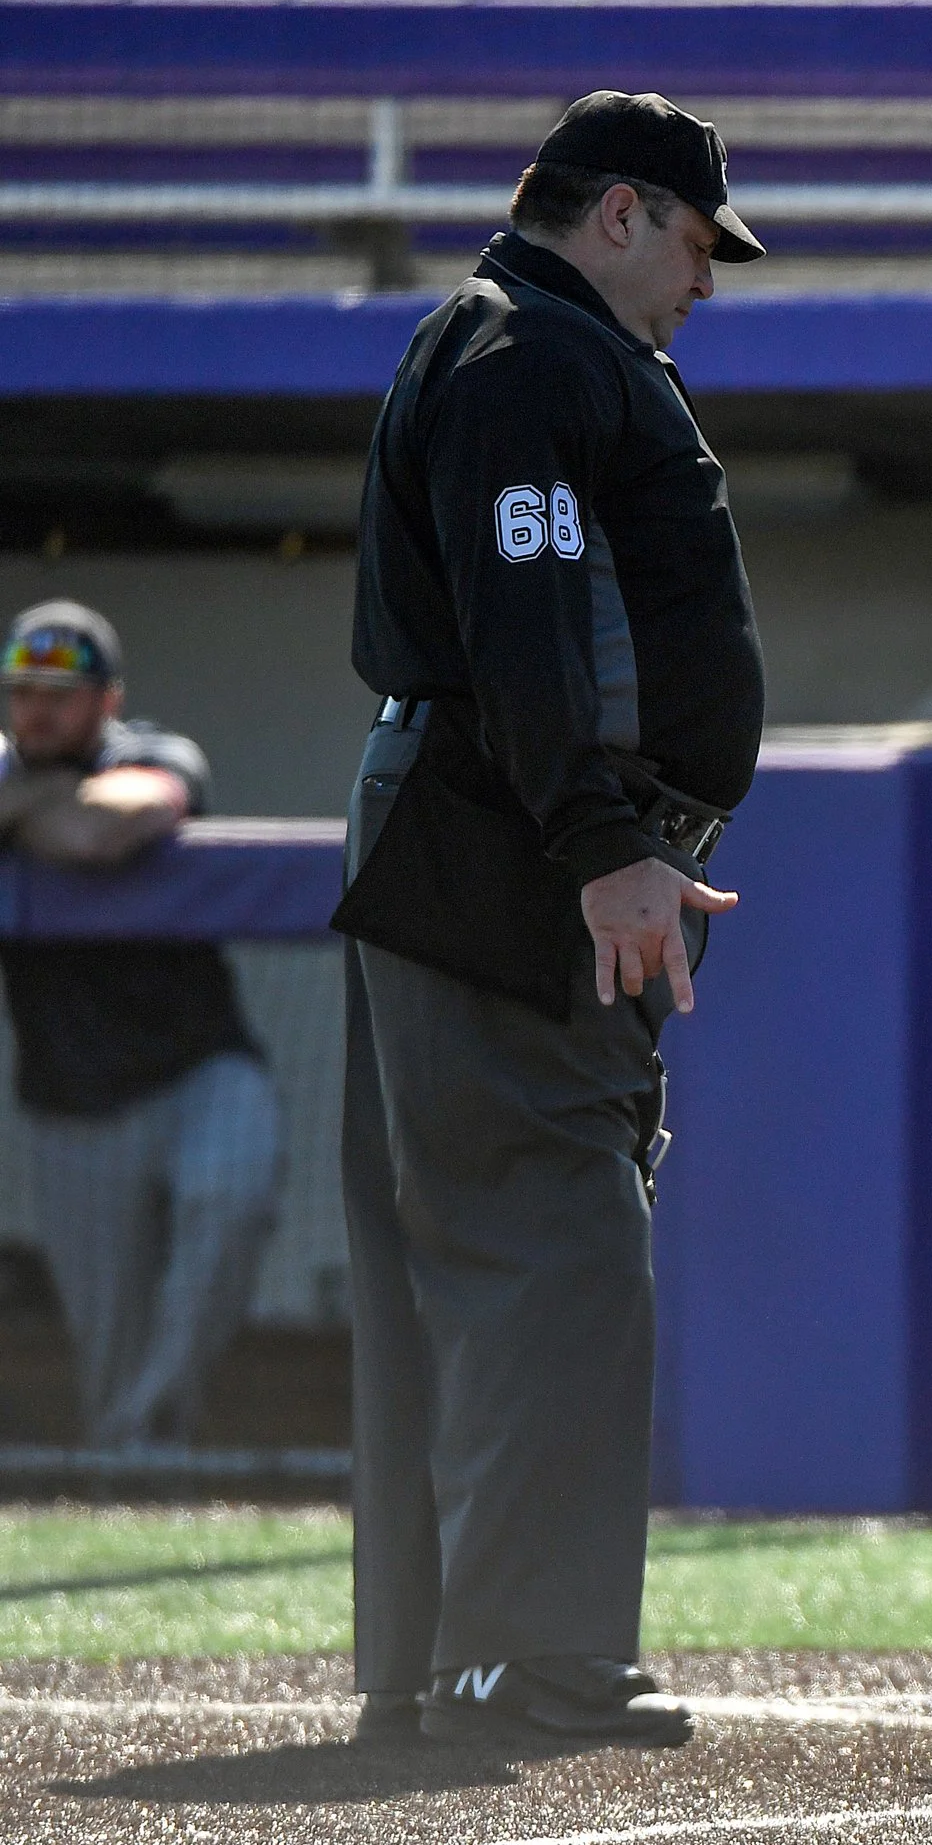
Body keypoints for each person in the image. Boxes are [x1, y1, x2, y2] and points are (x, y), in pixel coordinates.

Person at [336, 91, 765, 1752]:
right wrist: (602, 840)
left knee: (488, 1245)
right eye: (697, 241)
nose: (709, 282)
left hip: (480, 816)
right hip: (510, 833)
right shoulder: (531, 350)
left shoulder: (525, 343)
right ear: (620, 214)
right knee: (555, 1238)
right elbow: (530, 615)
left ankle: (449, 1654)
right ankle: (532, 1652)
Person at [0, 600, 279, 1451]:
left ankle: (150, 1422)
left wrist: (20, 804)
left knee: (231, 1194)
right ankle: (144, 1460)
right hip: (72, 1107)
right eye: (21, 691)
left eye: (61, 691)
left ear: (107, 700)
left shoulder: (156, 753)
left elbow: (99, 830)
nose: (37, 710)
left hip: (202, 1071)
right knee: (109, 1358)